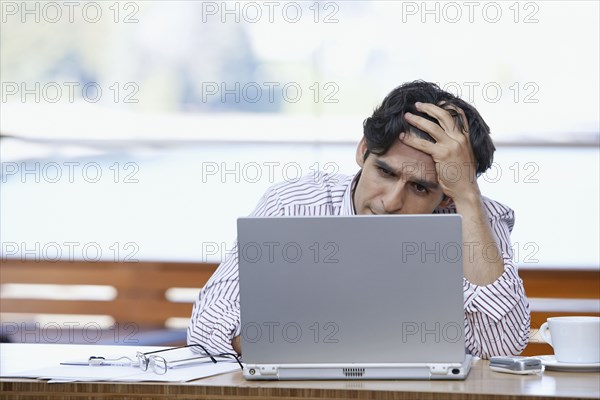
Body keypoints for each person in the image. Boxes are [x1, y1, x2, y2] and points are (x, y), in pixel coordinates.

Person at [188, 80, 531, 359]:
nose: (392, 202)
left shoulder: (472, 220)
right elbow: (205, 329)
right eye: (384, 171)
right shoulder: (294, 204)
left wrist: (468, 198)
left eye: (420, 188)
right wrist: (292, 337)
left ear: (445, 195)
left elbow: (501, 345)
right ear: (363, 150)